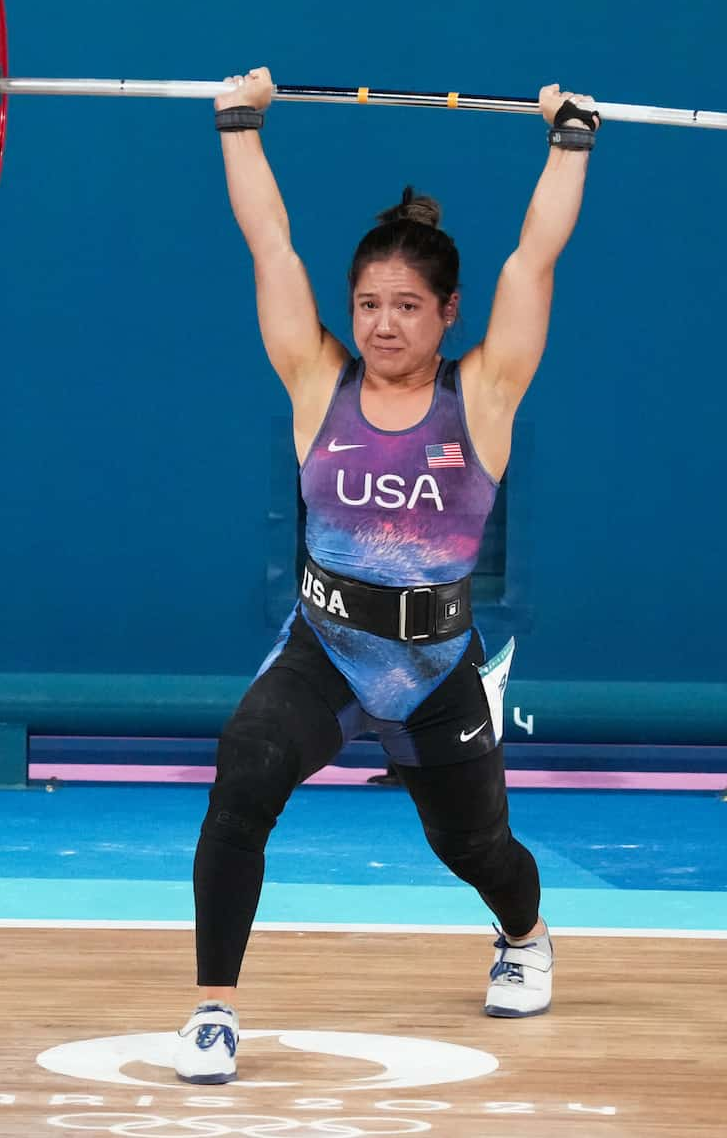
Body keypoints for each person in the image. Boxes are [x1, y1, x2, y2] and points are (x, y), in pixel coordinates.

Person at [174, 68, 598, 1085]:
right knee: (243, 776)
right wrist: (239, 124)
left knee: (476, 849)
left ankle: (526, 936)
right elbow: (269, 243)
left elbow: (534, 262)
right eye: (367, 303)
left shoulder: (484, 396)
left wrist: (569, 142)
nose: (381, 324)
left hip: (434, 664)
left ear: (447, 312)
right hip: (326, 648)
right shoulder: (317, 379)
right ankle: (213, 1011)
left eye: (406, 306)